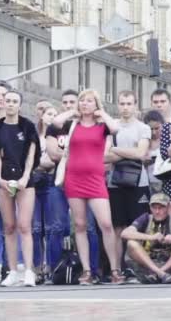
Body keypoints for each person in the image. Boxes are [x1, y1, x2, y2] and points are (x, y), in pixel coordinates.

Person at [53, 89, 124, 285]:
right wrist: (72, 112)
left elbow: (116, 129)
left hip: (95, 179)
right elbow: (56, 122)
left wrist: (103, 114)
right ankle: (86, 271)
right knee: (80, 225)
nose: (85, 104)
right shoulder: (73, 124)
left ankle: (115, 269)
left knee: (106, 224)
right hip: (74, 178)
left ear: (96, 104)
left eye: (89, 101)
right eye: (82, 100)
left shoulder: (102, 126)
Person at [45, 89, 100, 282]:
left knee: (89, 227)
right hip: (60, 183)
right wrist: (77, 157)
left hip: (85, 182)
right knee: (57, 227)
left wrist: (72, 157)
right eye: (65, 102)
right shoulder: (56, 127)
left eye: (72, 102)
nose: (69, 105)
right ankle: (54, 270)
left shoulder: (88, 126)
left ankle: (93, 270)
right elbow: (52, 153)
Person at [0, 90, 41, 287]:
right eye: (8, 101)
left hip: (24, 181)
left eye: (14, 101)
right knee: (9, 226)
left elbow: (31, 153)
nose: (10, 104)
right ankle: (12, 271)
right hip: (4, 180)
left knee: (24, 225)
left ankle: (28, 270)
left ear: (20, 105)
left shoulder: (27, 126)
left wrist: (26, 177)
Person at [104, 91, 151, 278]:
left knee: (138, 226)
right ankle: (117, 269)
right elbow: (104, 156)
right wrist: (128, 152)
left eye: (129, 103)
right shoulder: (111, 127)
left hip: (139, 182)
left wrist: (115, 150)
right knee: (117, 227)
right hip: (115, 183)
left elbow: (141, 153)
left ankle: (138, 268)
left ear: (135, 105)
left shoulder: (143, 128)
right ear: (117, 104)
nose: (125, 107)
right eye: (122, 103)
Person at [121, 193, 171, 283]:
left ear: (169, 207)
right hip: (147, 271)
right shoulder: (145, 218)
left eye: (161, 208)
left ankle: (159, 272)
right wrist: (151, 237)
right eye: (154, 208)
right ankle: (158, 272)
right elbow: (124, 233)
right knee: (131, 243)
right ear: (150, 208)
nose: (157, 211)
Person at [30, 103, 57, 282]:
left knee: (50, 227)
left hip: (51, 180)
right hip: (34, 180)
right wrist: (41, 164)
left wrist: (42, 163)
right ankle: (37, 267)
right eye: (48, 113)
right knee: (35, 228)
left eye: (55, 113)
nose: (51, 116)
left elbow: (56, 159)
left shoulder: (58, 136)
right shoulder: (34, 135)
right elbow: (29, 159)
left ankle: (50, 266)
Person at [143, 110, 165, 193]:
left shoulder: (167, 140)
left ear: (162, 125)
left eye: (157, 128)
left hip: (164, 182)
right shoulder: (143, 141)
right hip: (147, 183)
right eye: (150, 129)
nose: (154, 132)